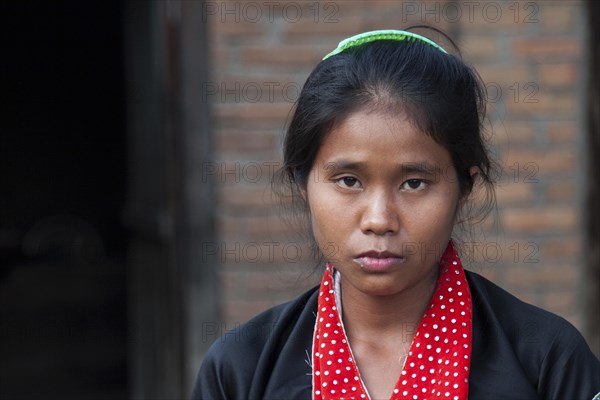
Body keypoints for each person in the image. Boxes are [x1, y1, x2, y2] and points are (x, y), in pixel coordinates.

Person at [192, 27, 600, 400]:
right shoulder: (241, 370)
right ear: (303, 183)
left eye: (414, 183)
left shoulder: (546, 361)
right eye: (348, 180)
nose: (379, 219)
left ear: (465, 187)